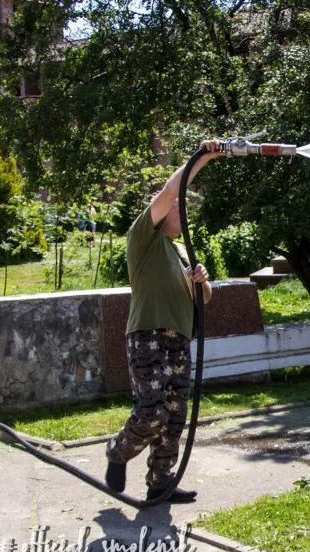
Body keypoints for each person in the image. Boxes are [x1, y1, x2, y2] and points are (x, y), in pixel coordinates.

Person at [104, 140, 224, 503]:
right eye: (181, 208)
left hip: (179, 341)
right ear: (165, 211)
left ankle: (160, 480)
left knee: (174, 418)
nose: (185, 214)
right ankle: (118, 451)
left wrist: (202, 281)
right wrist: (202, 158)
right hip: (148, 336)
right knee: (151, 412)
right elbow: (173, 188)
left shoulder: (179, 253)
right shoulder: (144, 238)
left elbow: (204, 300)